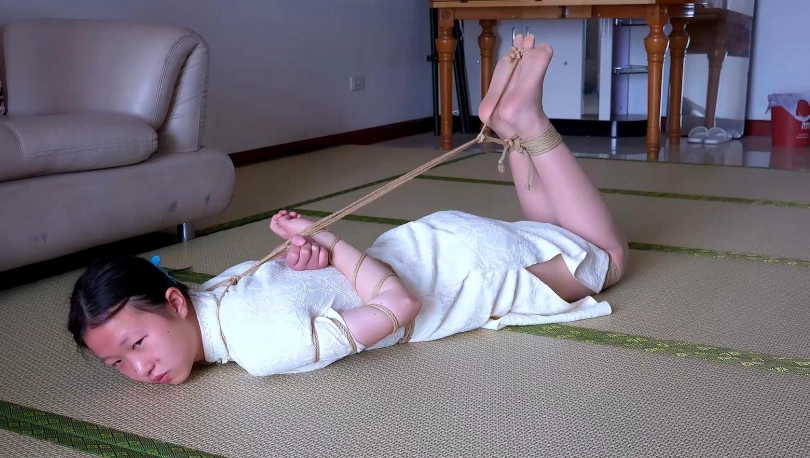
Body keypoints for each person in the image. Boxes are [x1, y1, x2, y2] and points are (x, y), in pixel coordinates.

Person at [67, 35, 628, 385]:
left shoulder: (261, 348)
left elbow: (400, 305)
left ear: (173, 303)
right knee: (549, 231)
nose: (140, 369)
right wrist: (314, 257)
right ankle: (504, 123)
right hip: (432, 243)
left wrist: (329, 242)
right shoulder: (219, 289)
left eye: (136, 345)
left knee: (607, 258)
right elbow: (314, 285)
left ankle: (526, 121)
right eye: (118, 364)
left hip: (469, 280)